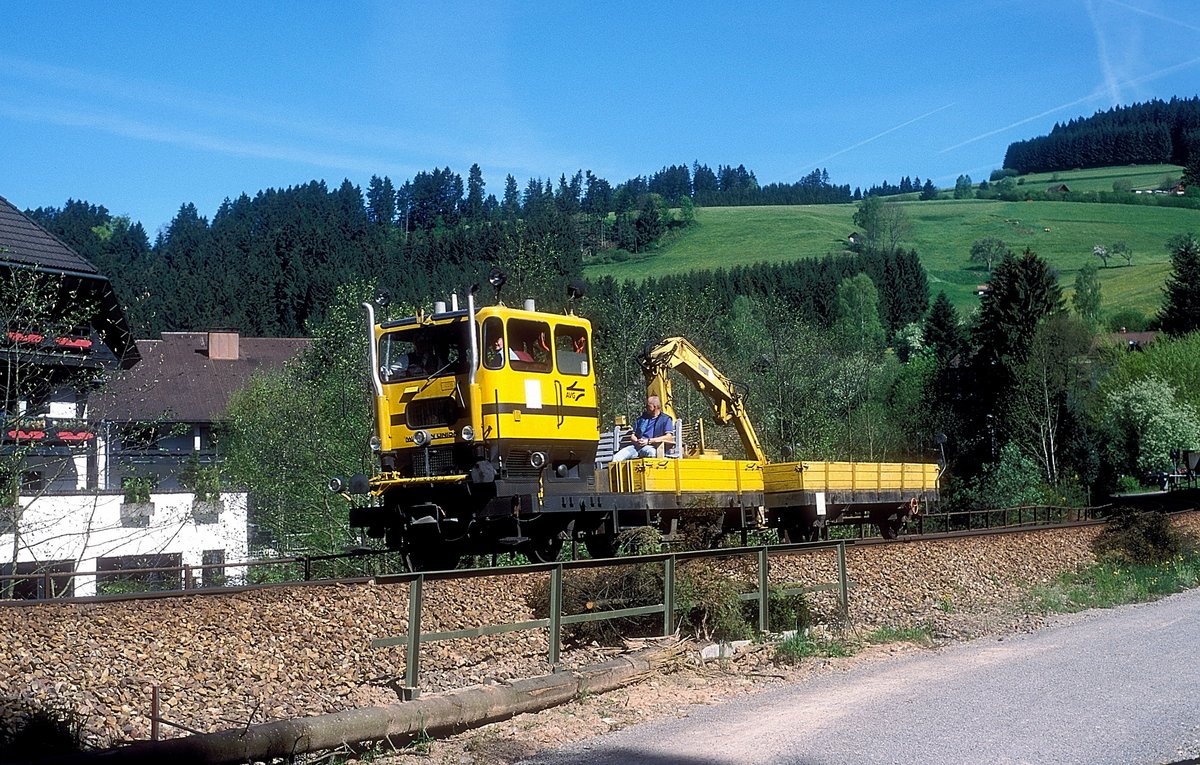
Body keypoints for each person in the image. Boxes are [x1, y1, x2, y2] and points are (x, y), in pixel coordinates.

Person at [611, 395, 674, 461]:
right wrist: (637, 441)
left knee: (653, 454)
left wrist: (648, 441)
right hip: (636, 447)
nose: (646, 408)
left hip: (652, 446)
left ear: (655, 407)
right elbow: (633, 436)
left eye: (648, 406)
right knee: (616, 458)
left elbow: (669, 437)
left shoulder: (665, 419)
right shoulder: (642, 419)